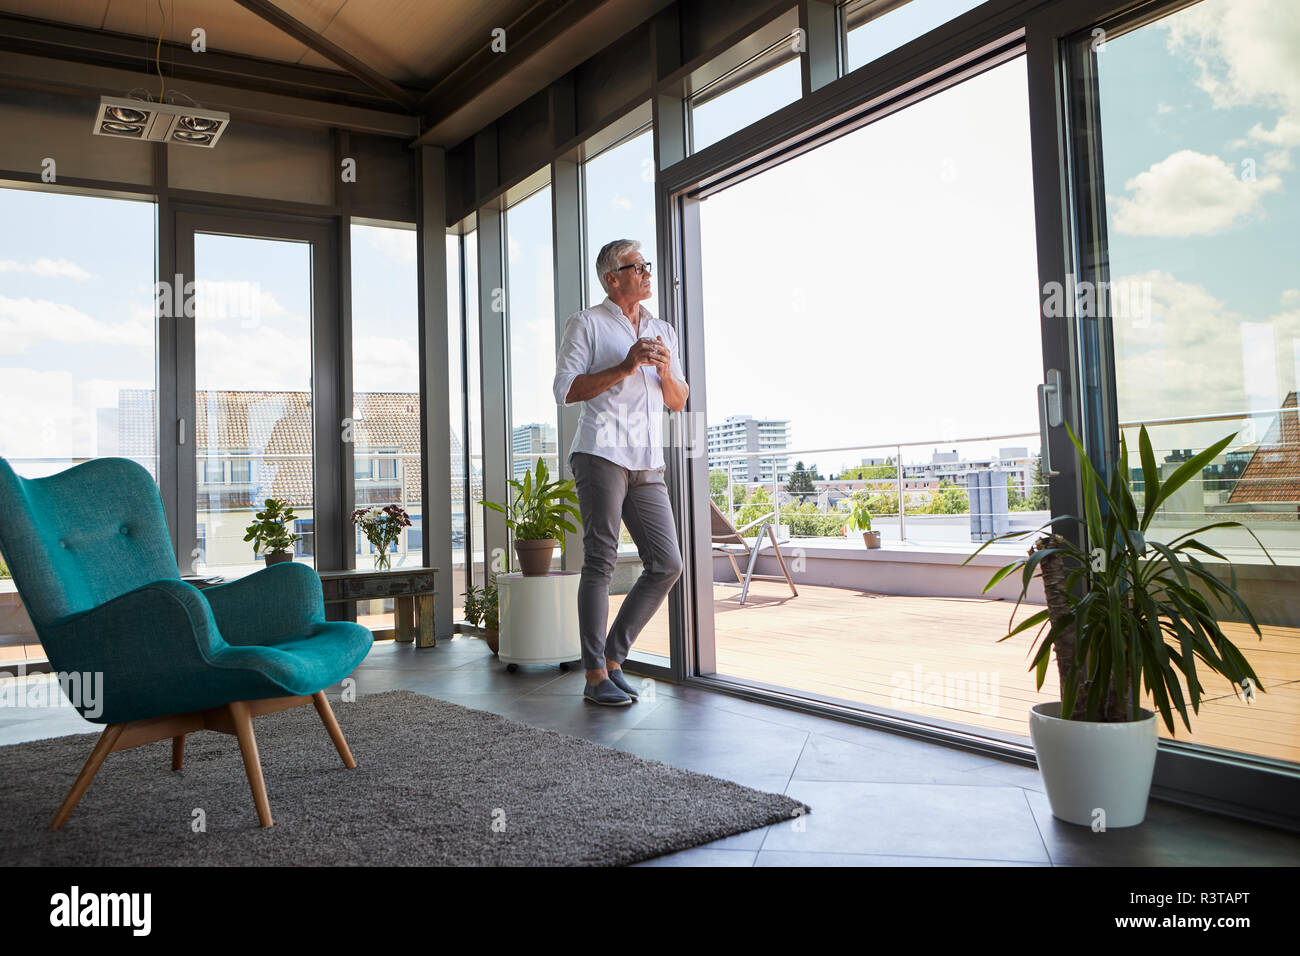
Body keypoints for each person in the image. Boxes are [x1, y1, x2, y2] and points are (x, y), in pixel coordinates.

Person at [552, 239, 688, 706]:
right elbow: (566, 390)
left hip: (647, 461)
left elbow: (677, 400)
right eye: (639, 266)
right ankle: (594, 676)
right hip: (601, 453)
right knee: (601, 561)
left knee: (668, 563)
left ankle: (613, 658)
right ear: (613, 278)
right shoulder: (586, 324)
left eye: (648, 265)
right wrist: (627, 364)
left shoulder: (662, 329)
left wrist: (666, 372)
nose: (648, 272)